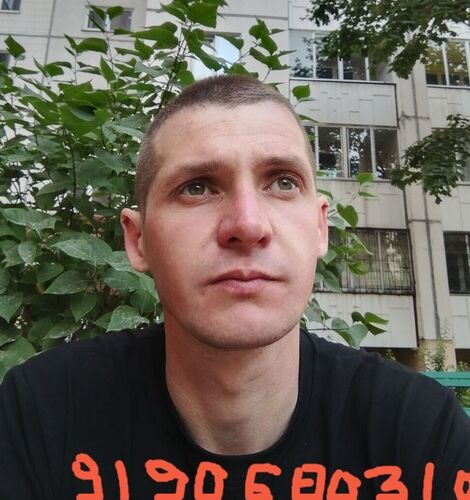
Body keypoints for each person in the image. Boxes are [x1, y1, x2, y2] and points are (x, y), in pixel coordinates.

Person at [0, 75, 469, 500]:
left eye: (282, 182)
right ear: (138, 240)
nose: (247, 225)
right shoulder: (41, 413)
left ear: (319, 228)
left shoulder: (420, 432)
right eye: (197, 187)